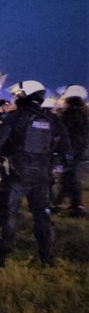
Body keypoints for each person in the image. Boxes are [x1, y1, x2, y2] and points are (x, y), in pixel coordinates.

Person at [0, 80, 72, 267]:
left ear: (24, 96)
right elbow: (65, 148)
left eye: (17, 95)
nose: (14, 98)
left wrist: (2, 117)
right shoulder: (52, 119)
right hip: (43, 176)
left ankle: (0, 258)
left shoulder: (15, 117)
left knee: (8, 215)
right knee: (42, 215)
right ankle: (47, 257)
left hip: (17, 175)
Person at [53, 85, 88, 217]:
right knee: (69, 178)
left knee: (71, 179)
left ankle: (76, 207)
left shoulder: (71, 113)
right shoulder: (83, 111)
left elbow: (63, 131)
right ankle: (62, 204)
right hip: (80, 151)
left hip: (72, 150)